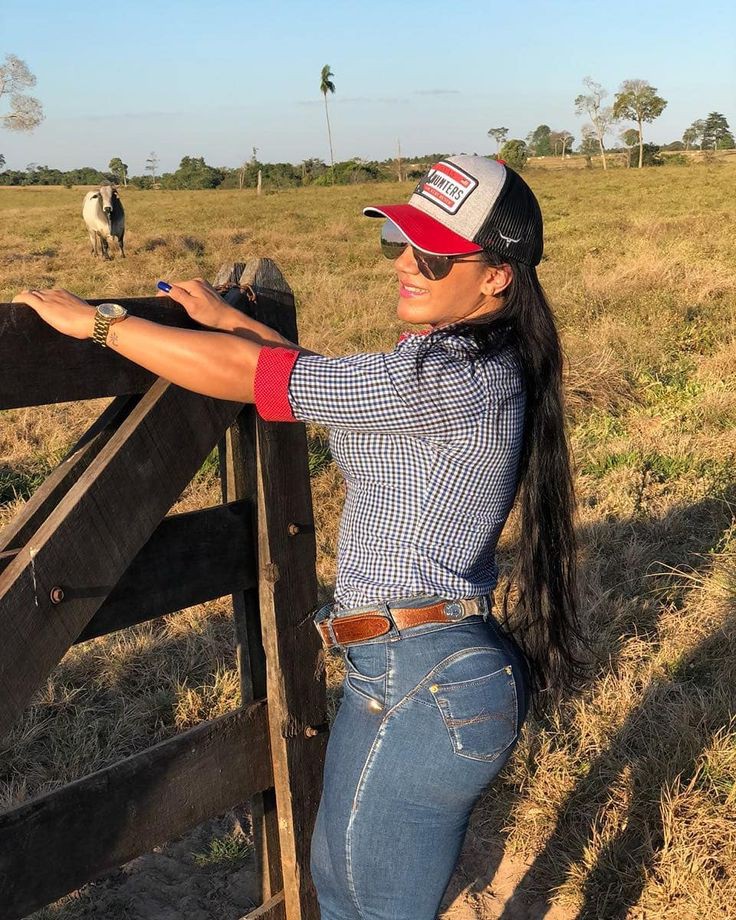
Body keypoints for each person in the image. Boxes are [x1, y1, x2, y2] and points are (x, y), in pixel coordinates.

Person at [13, 155, 585, 919]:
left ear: (497, 276)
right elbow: (332, 386)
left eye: (436, 254)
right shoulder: (461, 361)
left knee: (366, 907)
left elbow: (259, 379)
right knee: (343, 888)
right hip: (406, 669)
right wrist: (237, 322)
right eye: (401, 243)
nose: (407, 266)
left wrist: (102, 324)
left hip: (426, 679)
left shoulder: (452, 376)